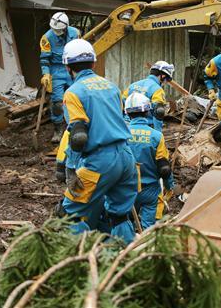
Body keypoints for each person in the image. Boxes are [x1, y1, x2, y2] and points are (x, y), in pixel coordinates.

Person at [58, 39, 137, 243]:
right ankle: (125, 261)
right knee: (119, 215)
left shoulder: (73, 93)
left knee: (69, 213)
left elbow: (78, 136)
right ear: (93, 63)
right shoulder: (112, 87)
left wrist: (70, 168)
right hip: (126, 157)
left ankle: (78, 263)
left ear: (67, 67)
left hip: (100, 162)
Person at [124, 92, 174, 230]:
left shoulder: (122, 133)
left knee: (124, 223)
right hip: (150, 190)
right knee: (147, 228)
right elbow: (164, 167)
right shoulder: (157, 136)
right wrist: (170, 186)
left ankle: (127, 246)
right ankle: (145, 245)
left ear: (127, 113)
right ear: (147, 112)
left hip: (126, 188)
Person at [39, 12, 80, 143]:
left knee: (76, 99)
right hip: (56, 70)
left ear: (66, 27)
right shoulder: (47, 38)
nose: (56, 32)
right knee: (57, 103)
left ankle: (76, 127)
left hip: (72, 69)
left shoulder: (75, 33)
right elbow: (44, 59)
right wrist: (46, 73)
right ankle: (58, 129)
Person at [123, 61, 175, 132]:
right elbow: (159, 112)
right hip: (145, 128)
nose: (165, 82)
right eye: (167, 79)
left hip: (127, 127)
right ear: (163, 76)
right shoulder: (157, 90)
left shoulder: (132, 85)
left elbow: (121, 103)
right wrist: (158, 133)